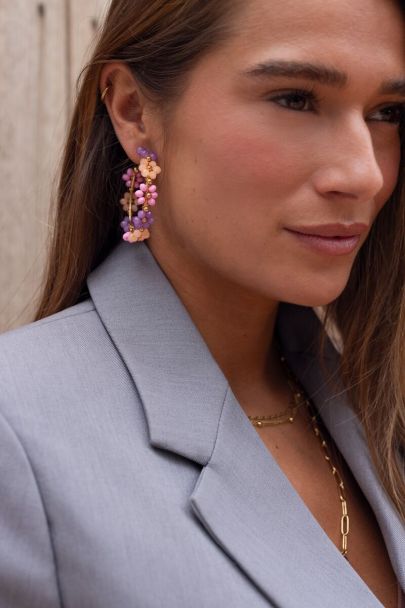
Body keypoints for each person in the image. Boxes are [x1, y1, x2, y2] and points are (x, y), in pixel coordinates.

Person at [0, 0, 404, 606]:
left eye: (388, 112)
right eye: (295, 98)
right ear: (133, 111)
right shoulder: (18, 431)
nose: (363, 172)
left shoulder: (377, 402)